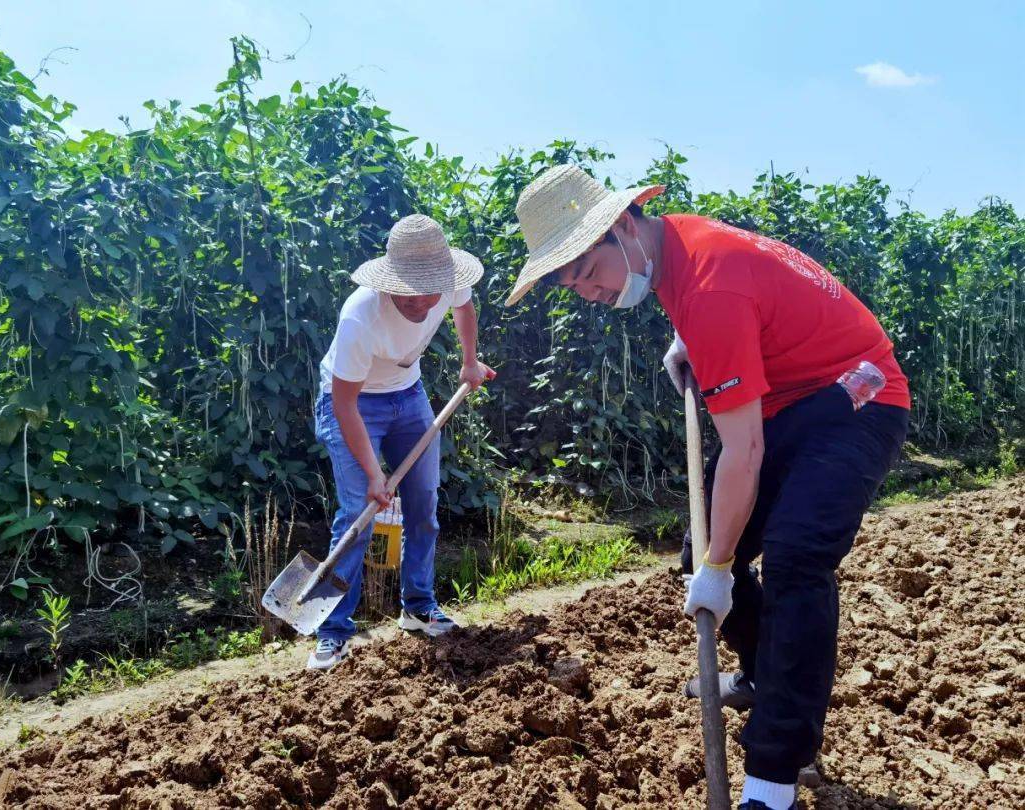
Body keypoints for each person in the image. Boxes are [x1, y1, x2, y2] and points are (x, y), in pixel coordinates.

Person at [506, 165, 909, 810]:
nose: (590, 293)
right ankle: (758, 672)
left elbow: (742, 452)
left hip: (860, 399)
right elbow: (746, 298)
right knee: (703, 550)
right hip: (794, 401)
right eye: (570, 283)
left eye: (587, 272)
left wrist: (723, 566)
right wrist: (689, 340)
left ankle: (775, 774)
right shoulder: (676, 248)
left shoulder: (708, 285)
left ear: (621, 227)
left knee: (796, 557)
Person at [309, 214, 495, 671]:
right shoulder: (361, 316)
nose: (424, 302)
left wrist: (469, 362)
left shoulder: (446, 282)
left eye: (431, 291)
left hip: (408, 396)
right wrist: (374, 473)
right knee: (358, 513)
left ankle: (417, 606)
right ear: (390, 282)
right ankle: (332, 632)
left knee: (423, 503)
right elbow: (344, 404)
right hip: (354, 402)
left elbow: (464, 309)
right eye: (411, 293)